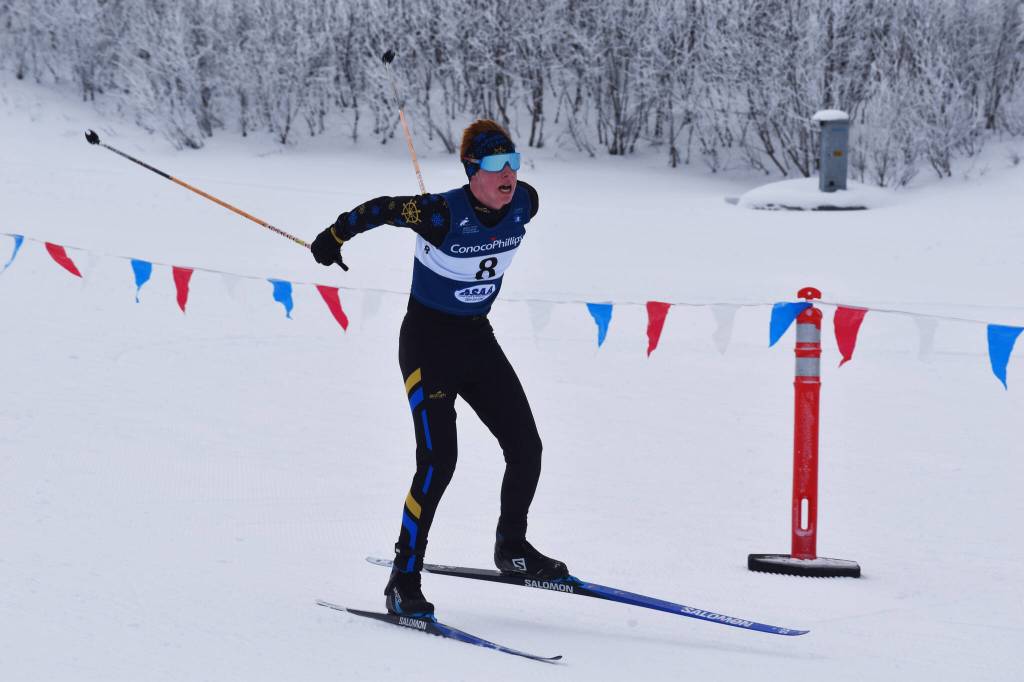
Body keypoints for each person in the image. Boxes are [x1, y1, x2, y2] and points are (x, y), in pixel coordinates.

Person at [311, 119, 568, 617]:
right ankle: (403, 579)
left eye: (514, 162)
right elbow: (382, 210)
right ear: (472, 171)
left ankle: (512, 550)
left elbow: (517, 196)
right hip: (428, 346)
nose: (508, 174)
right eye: (495, 164)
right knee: (438, 462)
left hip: (476, 339)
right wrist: (335, 235)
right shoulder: (436, 213)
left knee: (526, 446)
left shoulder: (526, 203)